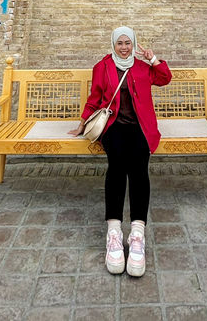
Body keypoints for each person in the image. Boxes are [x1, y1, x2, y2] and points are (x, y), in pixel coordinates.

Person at [68, 26, 172, 277]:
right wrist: (82, 123)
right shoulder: (102, 67)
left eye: (128, 43)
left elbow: (165, 78)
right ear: (113, 44)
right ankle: (114, 232)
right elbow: (94, 98)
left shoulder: (142, 67)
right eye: (119, 43)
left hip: (141, 127)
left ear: (133, 43)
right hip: (113, 127)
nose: (124, 47)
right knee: (116, 166)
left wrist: (153, 59)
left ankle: (137, 233)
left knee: (139, 170)